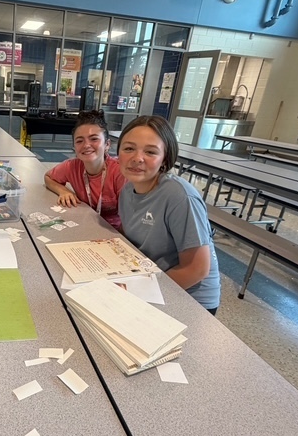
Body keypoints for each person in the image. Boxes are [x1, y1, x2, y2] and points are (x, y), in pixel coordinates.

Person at [116, 115, 221, 314]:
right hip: (152, 277)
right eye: (129, 148)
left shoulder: (179, 196)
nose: (137, 158)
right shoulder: (127, 191)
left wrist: (141, 292)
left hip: (190, 297)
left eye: (150, 152)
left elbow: (197, 269)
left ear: (165, 159)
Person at [44, 110, 126, 230]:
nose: (86, 145)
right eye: (79, 141)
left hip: (115, 231)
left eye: (94, 139)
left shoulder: (120, 172)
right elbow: (48, 177)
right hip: (84, 224)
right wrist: (63, 191)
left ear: (107, 144)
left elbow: (131, 217)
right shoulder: (72, 166)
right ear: (74, 147)